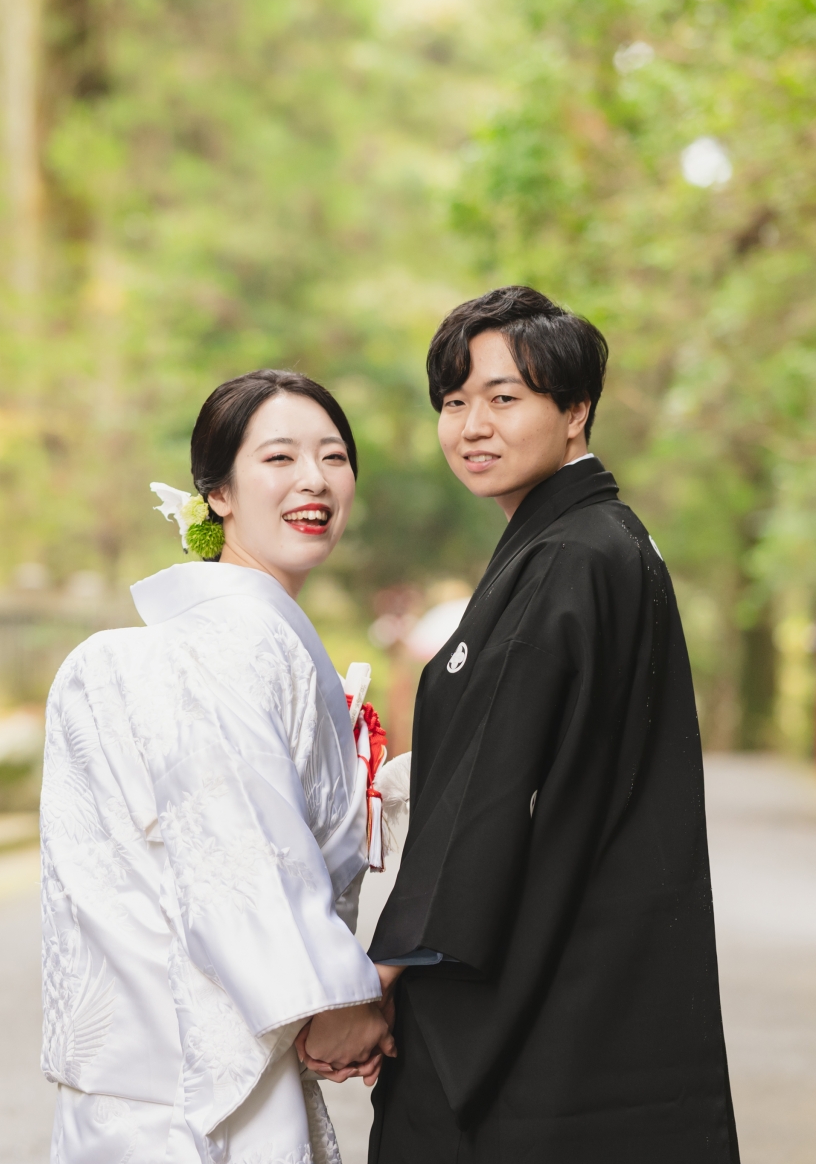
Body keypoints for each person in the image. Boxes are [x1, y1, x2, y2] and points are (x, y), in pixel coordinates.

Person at [360, 287, 739, 1161]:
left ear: (576, 410)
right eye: (454, 402)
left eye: (504, 397)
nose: (471, 426)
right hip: (596, 959)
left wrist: (381, 972)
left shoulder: (571, 555)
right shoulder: (598, 542)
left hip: (546, 975)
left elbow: (495, 790)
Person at [41, 369, 393, 1164]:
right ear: (218, 493)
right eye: (279, 457)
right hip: (199, 1071)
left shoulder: (235, 632)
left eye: (334, 456)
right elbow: (236, 843)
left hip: (166, 1060)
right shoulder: (229, 640)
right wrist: (334, 1003)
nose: (314, 479)